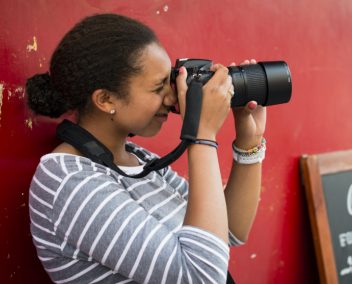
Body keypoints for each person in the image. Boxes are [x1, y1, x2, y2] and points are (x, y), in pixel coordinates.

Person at [26, 13, 266, 284]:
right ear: (105, 99)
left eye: (170, 80)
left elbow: (230, 231)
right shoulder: (68, 182)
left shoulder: (138, 160)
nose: (172, 97)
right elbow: (201, 278)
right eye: (157, 88)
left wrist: (249, 142)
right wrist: (202, 136)